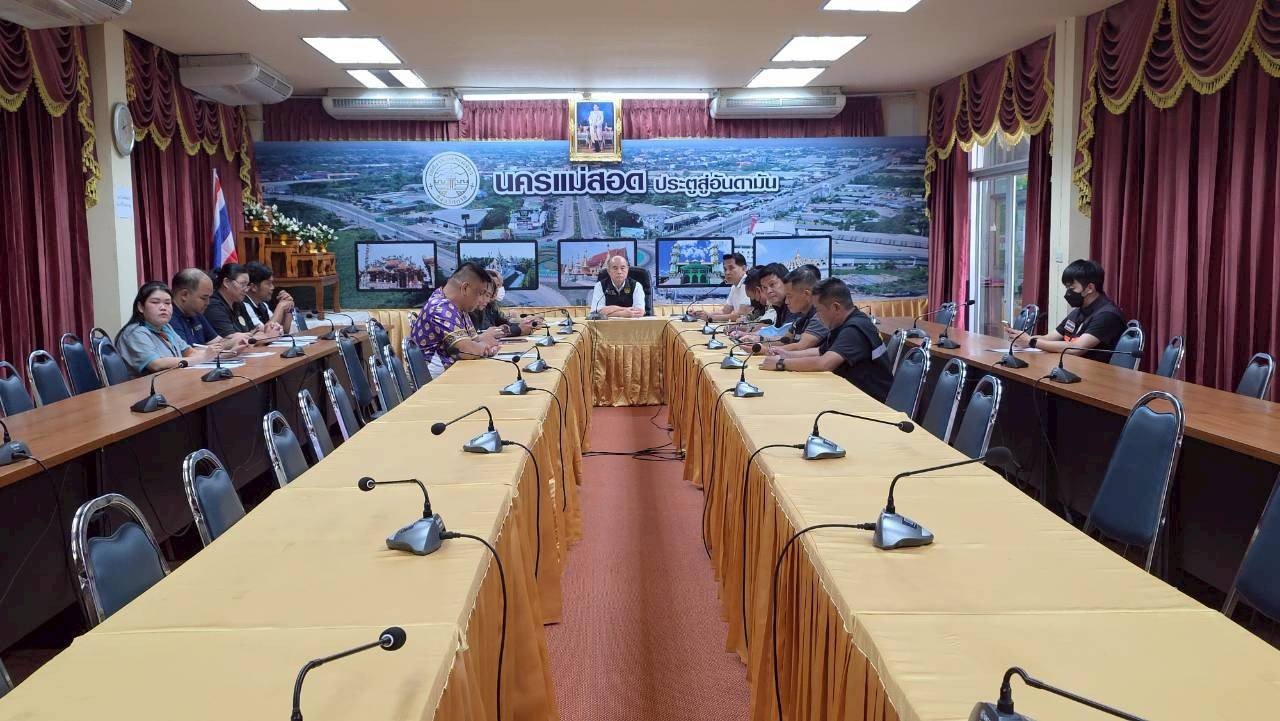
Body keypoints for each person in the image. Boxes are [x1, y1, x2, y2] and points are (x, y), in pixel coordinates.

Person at [759, 277, 893, 402]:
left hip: (869, 402)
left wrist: (781, 363)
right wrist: (787, 354)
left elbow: (825, 362)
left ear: (836, 307)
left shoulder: (854, 329)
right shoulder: (844, 323)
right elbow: (820, 351)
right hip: (849, 393)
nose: (817, 316)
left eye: (819, 310)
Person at [1004, 259, 1126, 362]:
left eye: (1072, 288)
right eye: (1067, 288)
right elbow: (1049, 338)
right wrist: (1021, 338)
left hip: (1096, 375)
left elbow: (1076, 348)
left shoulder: (1107, 315)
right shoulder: (1079, 311)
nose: (1068, 293)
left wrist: (1031, 342)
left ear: (1090, 288)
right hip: (1072, 367)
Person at [409, 262, 504, 376]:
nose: (481, 299)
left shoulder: (460, 308)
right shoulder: (440, 307)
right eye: (480, 293)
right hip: (431, 382)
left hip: (450, 375)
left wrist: (483, 347)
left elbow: (474, 342)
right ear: (465, 288)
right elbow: (466, 350)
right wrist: (484, 348)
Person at [115, 282, 222, 377]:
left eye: (167, 303)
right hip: (144, 389)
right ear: (141, 307)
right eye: (155, 302)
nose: (163, 307)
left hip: (172, 382)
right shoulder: (134, 333)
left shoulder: (166, 328)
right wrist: (202, 358)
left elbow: (188, 352)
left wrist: (216, 353)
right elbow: (156, 364)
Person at [169, 268, 252, 352]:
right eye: (204, 298)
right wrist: (229, 343)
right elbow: (186, 352)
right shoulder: (169, 317)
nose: (208, 303)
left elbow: (217, 341)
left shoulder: (195, 312)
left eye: (209, 297)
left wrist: (237, 340)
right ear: (184, 294)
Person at [205, 263, 284, 339]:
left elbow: (255, 331)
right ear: (226, 282)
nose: (246, 290)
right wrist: (267, 336)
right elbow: (232, 339)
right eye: (243, 284)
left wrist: (265, 333)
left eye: (247, 285)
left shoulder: (239, 304)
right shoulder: (213, 306)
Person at [765, 266, 829, 356]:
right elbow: (785, 340)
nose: (786, 301)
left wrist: (765, 350)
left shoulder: (820, 316)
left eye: (789, 296)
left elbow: (801, 346)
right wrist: (758, 341)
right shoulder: (800, 315)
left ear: (806, 294)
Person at [470, 269, 541, 336]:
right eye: (495, 286)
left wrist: (527, 324)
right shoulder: (474, 307)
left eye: (498, 286)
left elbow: (505, 323)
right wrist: (519, 330)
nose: (496, 290)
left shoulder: (492, 304)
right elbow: (487, 331)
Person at [692, 252, 751, 322]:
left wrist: (711, 318)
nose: (727, 273)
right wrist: (702, 315)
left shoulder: (748, 284)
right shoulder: (734, 286)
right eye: (725, 269)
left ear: (744, 269)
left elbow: (740, 315)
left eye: (731, 268)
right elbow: (725, 311)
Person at [241, 262, 295, 331]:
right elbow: (268, 333)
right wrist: (281, 306)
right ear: (254, 287)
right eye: (268, 283)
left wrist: (288, 308)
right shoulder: (244, 305)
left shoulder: (263, 305)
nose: (272, 287)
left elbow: (284, 331)